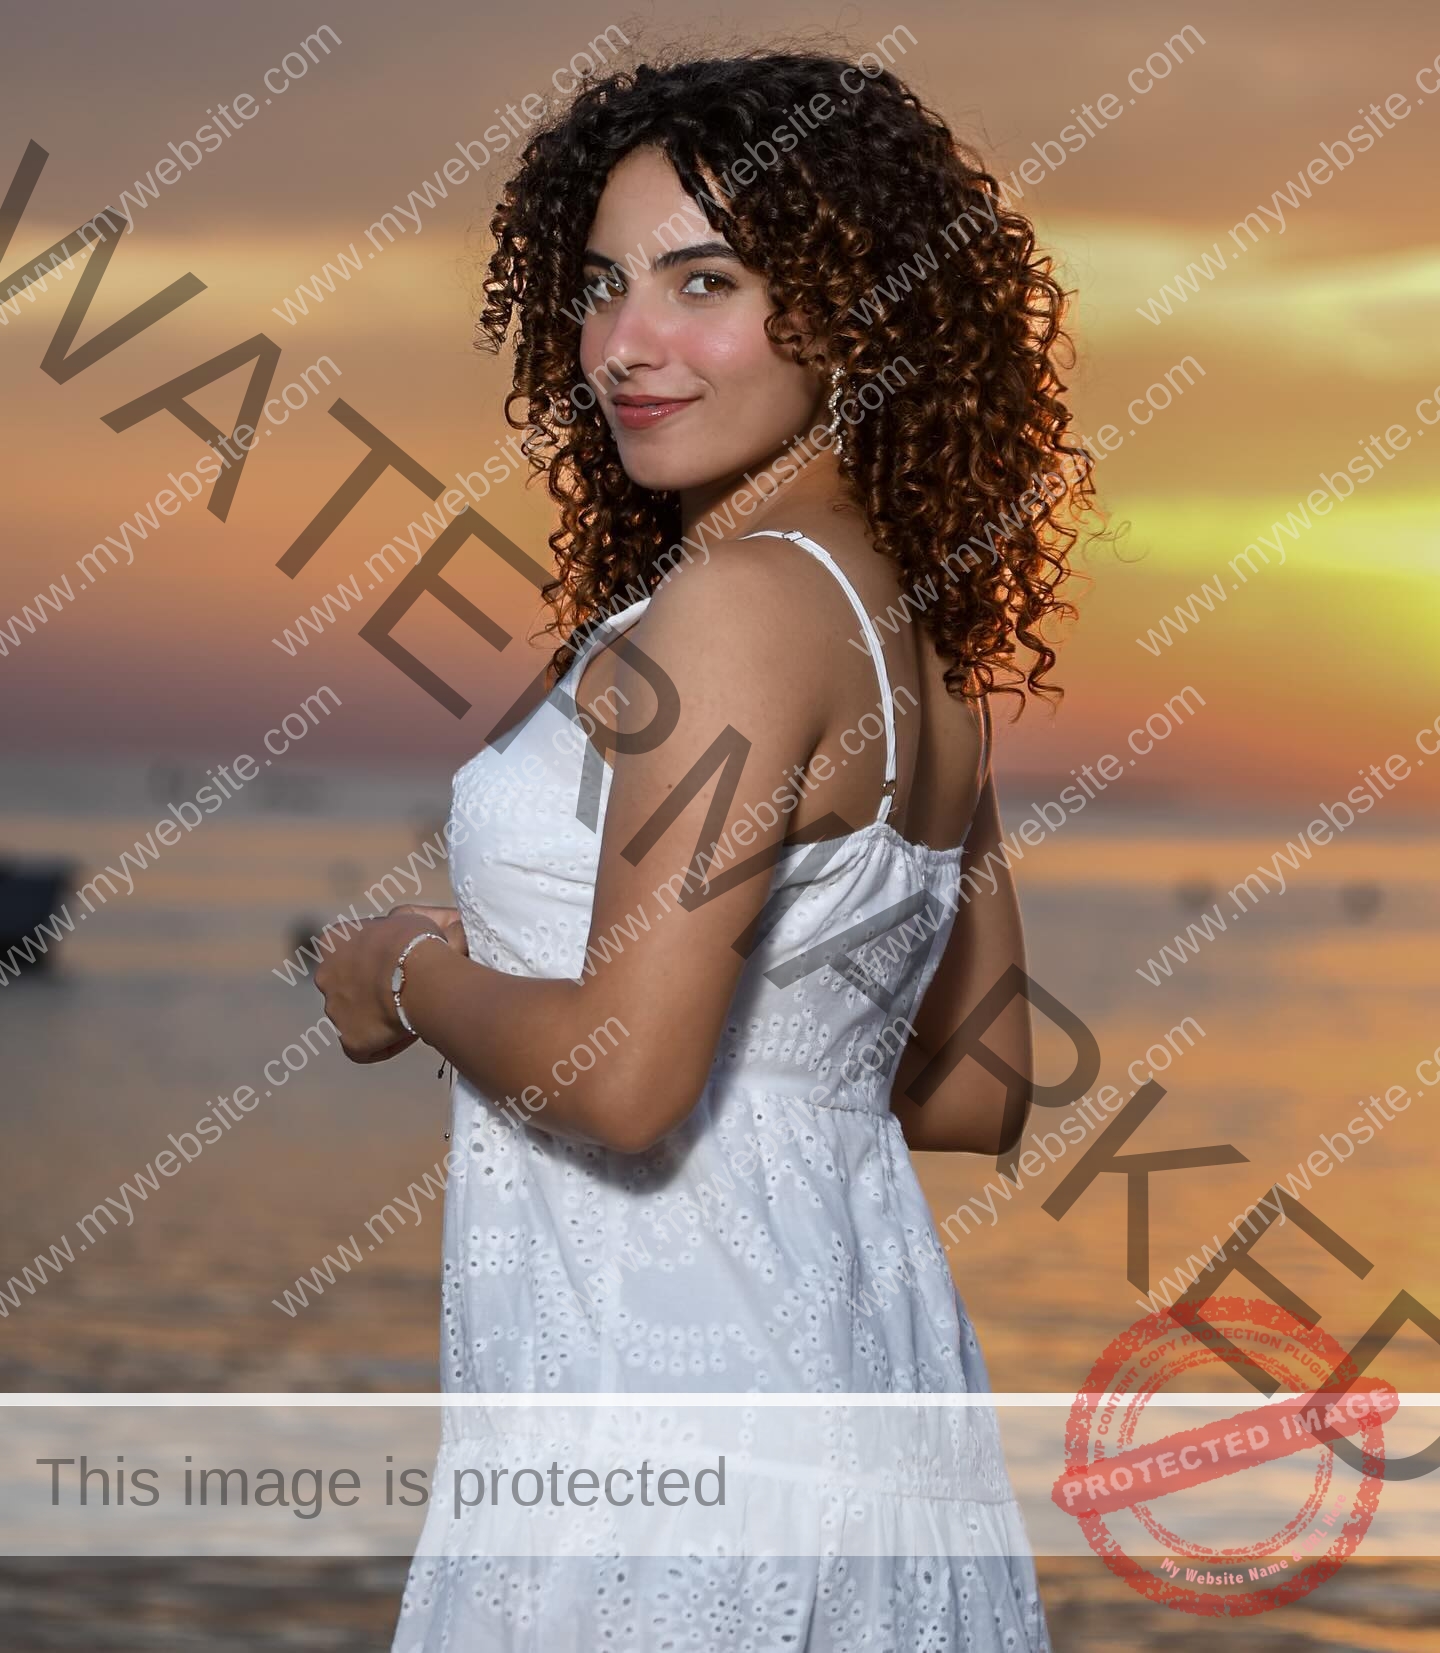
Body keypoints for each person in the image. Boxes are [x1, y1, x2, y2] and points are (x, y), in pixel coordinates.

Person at [313, 47, 1092, 1652]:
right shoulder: (910, 636)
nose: (625, 347)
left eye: (705, 280)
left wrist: (401, 969)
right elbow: (975, 1088)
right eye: (599, 288)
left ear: (856, 307)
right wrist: (730, 1024)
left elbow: (618, 1077)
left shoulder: (735, 611)